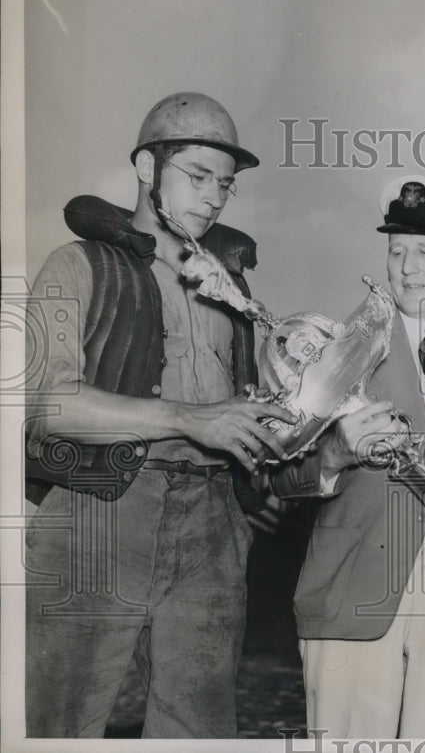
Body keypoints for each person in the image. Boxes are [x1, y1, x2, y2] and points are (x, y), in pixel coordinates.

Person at [23, 91, 295, 738]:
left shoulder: (232, 286)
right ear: (146, 167)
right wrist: (192, 419)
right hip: (103, 510)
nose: (214, 197)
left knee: (199, 732)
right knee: (60, 724)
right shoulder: (76, 264)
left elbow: (238, 408)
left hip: (212, 525)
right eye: (197, 176)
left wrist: (264, 459)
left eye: (225, 185)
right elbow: (49, 408)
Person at [269, 175, 425, 738]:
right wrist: (336, 450)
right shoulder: (335, 353)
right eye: (396, 251)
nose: (407, 267)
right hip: (350, 598)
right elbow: (280, 479)